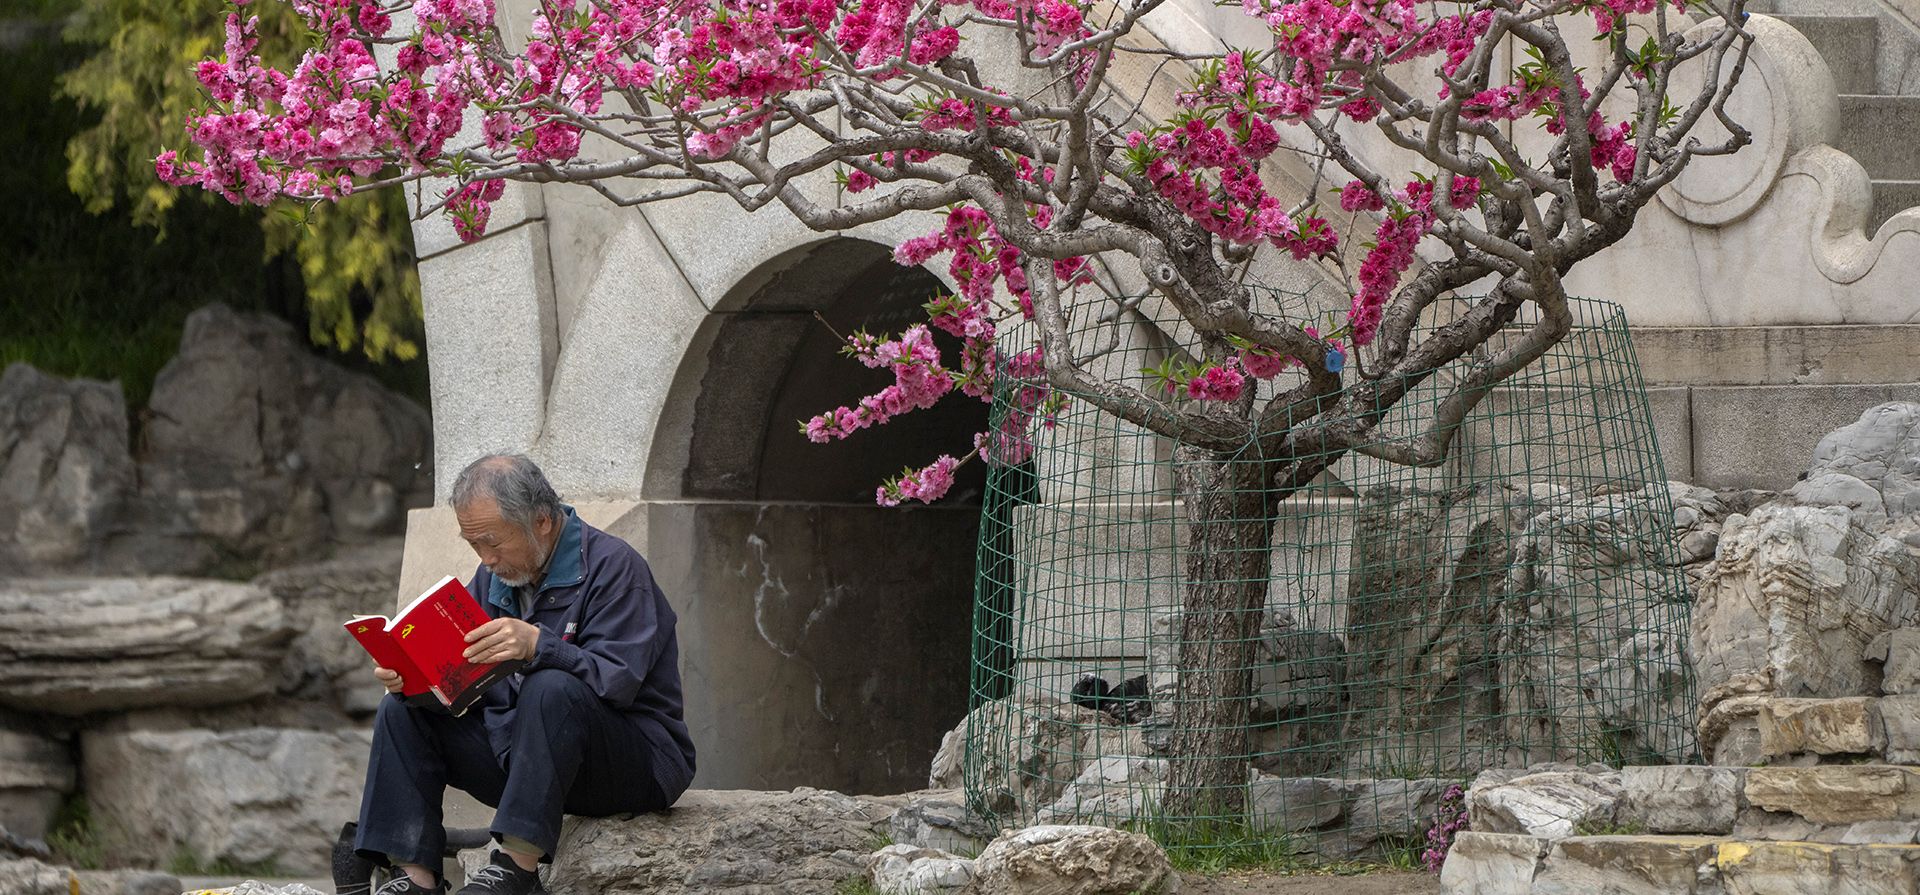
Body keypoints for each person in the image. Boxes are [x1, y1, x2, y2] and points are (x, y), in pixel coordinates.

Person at [351, 453, 696, 895]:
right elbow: (470, 688)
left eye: (494, 541)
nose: (486, 557)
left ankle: (517, 868)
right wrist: (416, 681)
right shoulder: (494, 580)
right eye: (475, 544)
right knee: (400, 711)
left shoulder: (615, 568)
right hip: (529, 762)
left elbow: (619, 682)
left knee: (550, 684)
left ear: (542, 522)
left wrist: (539, 645)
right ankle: (415, 876)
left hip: (633, 765)